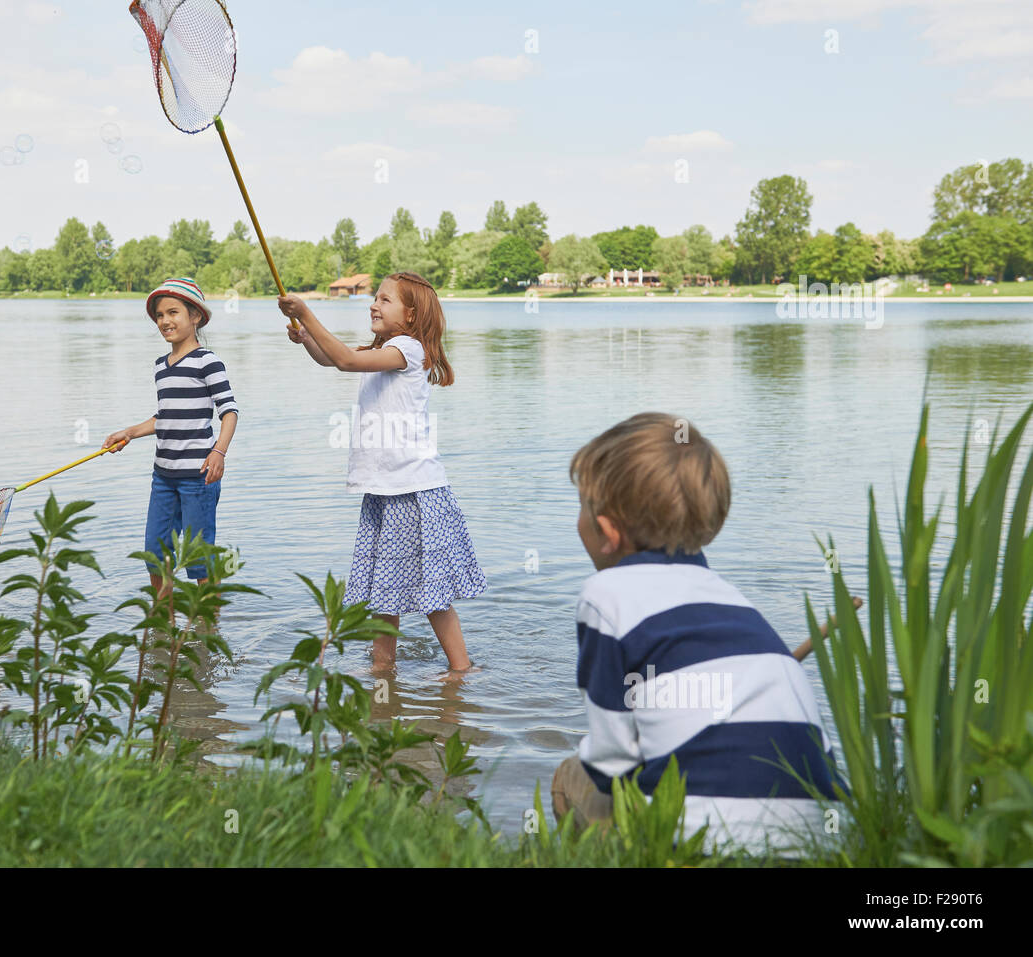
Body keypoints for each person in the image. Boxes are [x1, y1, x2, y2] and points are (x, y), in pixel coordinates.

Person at [554, 412, 843, 855]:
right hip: (814, 844)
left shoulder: (606, 594)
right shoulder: (736, 604)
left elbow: (609, 761)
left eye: (581, 505)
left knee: (569, 775)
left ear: (608, 532)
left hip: (692, 846)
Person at [278, 272, 485, 681]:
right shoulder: (385, 348)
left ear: (411, 315)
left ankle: (461, 669)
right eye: (375, 297)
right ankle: (381, 670)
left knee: (432, 593)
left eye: (384, 300)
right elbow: (331, 358)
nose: (373, 304)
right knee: (384, 590)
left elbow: (345, 360)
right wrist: (306, 339)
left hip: (413, 490)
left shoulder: (406, 349)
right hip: (386, 490)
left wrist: (307, 312)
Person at [103, 278, 236, 591]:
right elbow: (164, 417)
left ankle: (207, 624)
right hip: (162, 476)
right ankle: (162, 621)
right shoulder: (161, 366)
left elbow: (229, 411)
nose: (165, 320)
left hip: (198, 477)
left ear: (196, 317)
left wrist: (219, 451)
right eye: (160, 315)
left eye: (173, 312)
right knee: (155, 550)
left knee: (198, 555)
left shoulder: (208, 361)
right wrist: (130, 433)